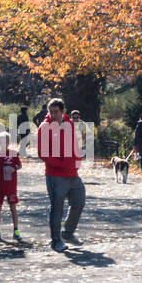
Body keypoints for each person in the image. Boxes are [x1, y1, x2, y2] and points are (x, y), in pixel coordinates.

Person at [37, 97, 85, 252]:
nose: (53, 114)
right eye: (51, 111)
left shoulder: (69, 124)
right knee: (57, 208)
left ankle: (68, 233)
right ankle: (56, 241)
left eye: (56, 111)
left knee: (79, 202)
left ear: (62, 111)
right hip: (55, 175)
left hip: (72, 174)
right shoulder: (44, 127)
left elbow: (75, 145)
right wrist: (61, 164)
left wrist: (77, 160)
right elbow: (42, 153)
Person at [0, 131, 23, 241]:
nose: (3, 143)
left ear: (9, 142)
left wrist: (14, 169)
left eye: (5, 141)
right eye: (1, 141)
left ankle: (16, 230)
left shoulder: (13, 153)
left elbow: (19, 165)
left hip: (10, 185)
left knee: (13, 207)